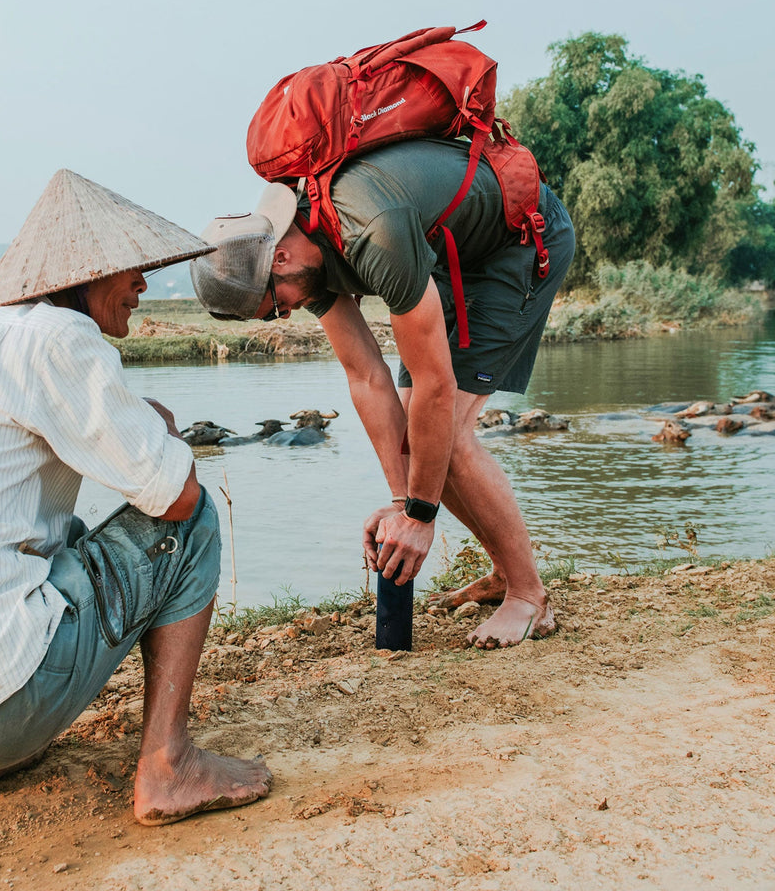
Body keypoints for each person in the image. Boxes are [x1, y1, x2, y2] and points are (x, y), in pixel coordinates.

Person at [0, 169, 272, 823]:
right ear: (85, 273)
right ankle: (169, 766)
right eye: (129, 268)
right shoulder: (60, 338)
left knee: (62, 536)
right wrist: (160, 429)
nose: (141, 284)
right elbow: (178, 498)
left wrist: (138, 420)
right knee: (195, 520)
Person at [191, 136, 576, 649]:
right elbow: (365, 377)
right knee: (426, 436)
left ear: (278, 257)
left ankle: (529, 597)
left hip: (522, 242)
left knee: (450, 434)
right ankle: (507, 573)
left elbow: (437, 388)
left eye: (277, 305)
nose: (285, 313)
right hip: (456, 259)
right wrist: (403, 500)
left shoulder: (374, 233)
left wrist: (420, 516)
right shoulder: (304, 260)